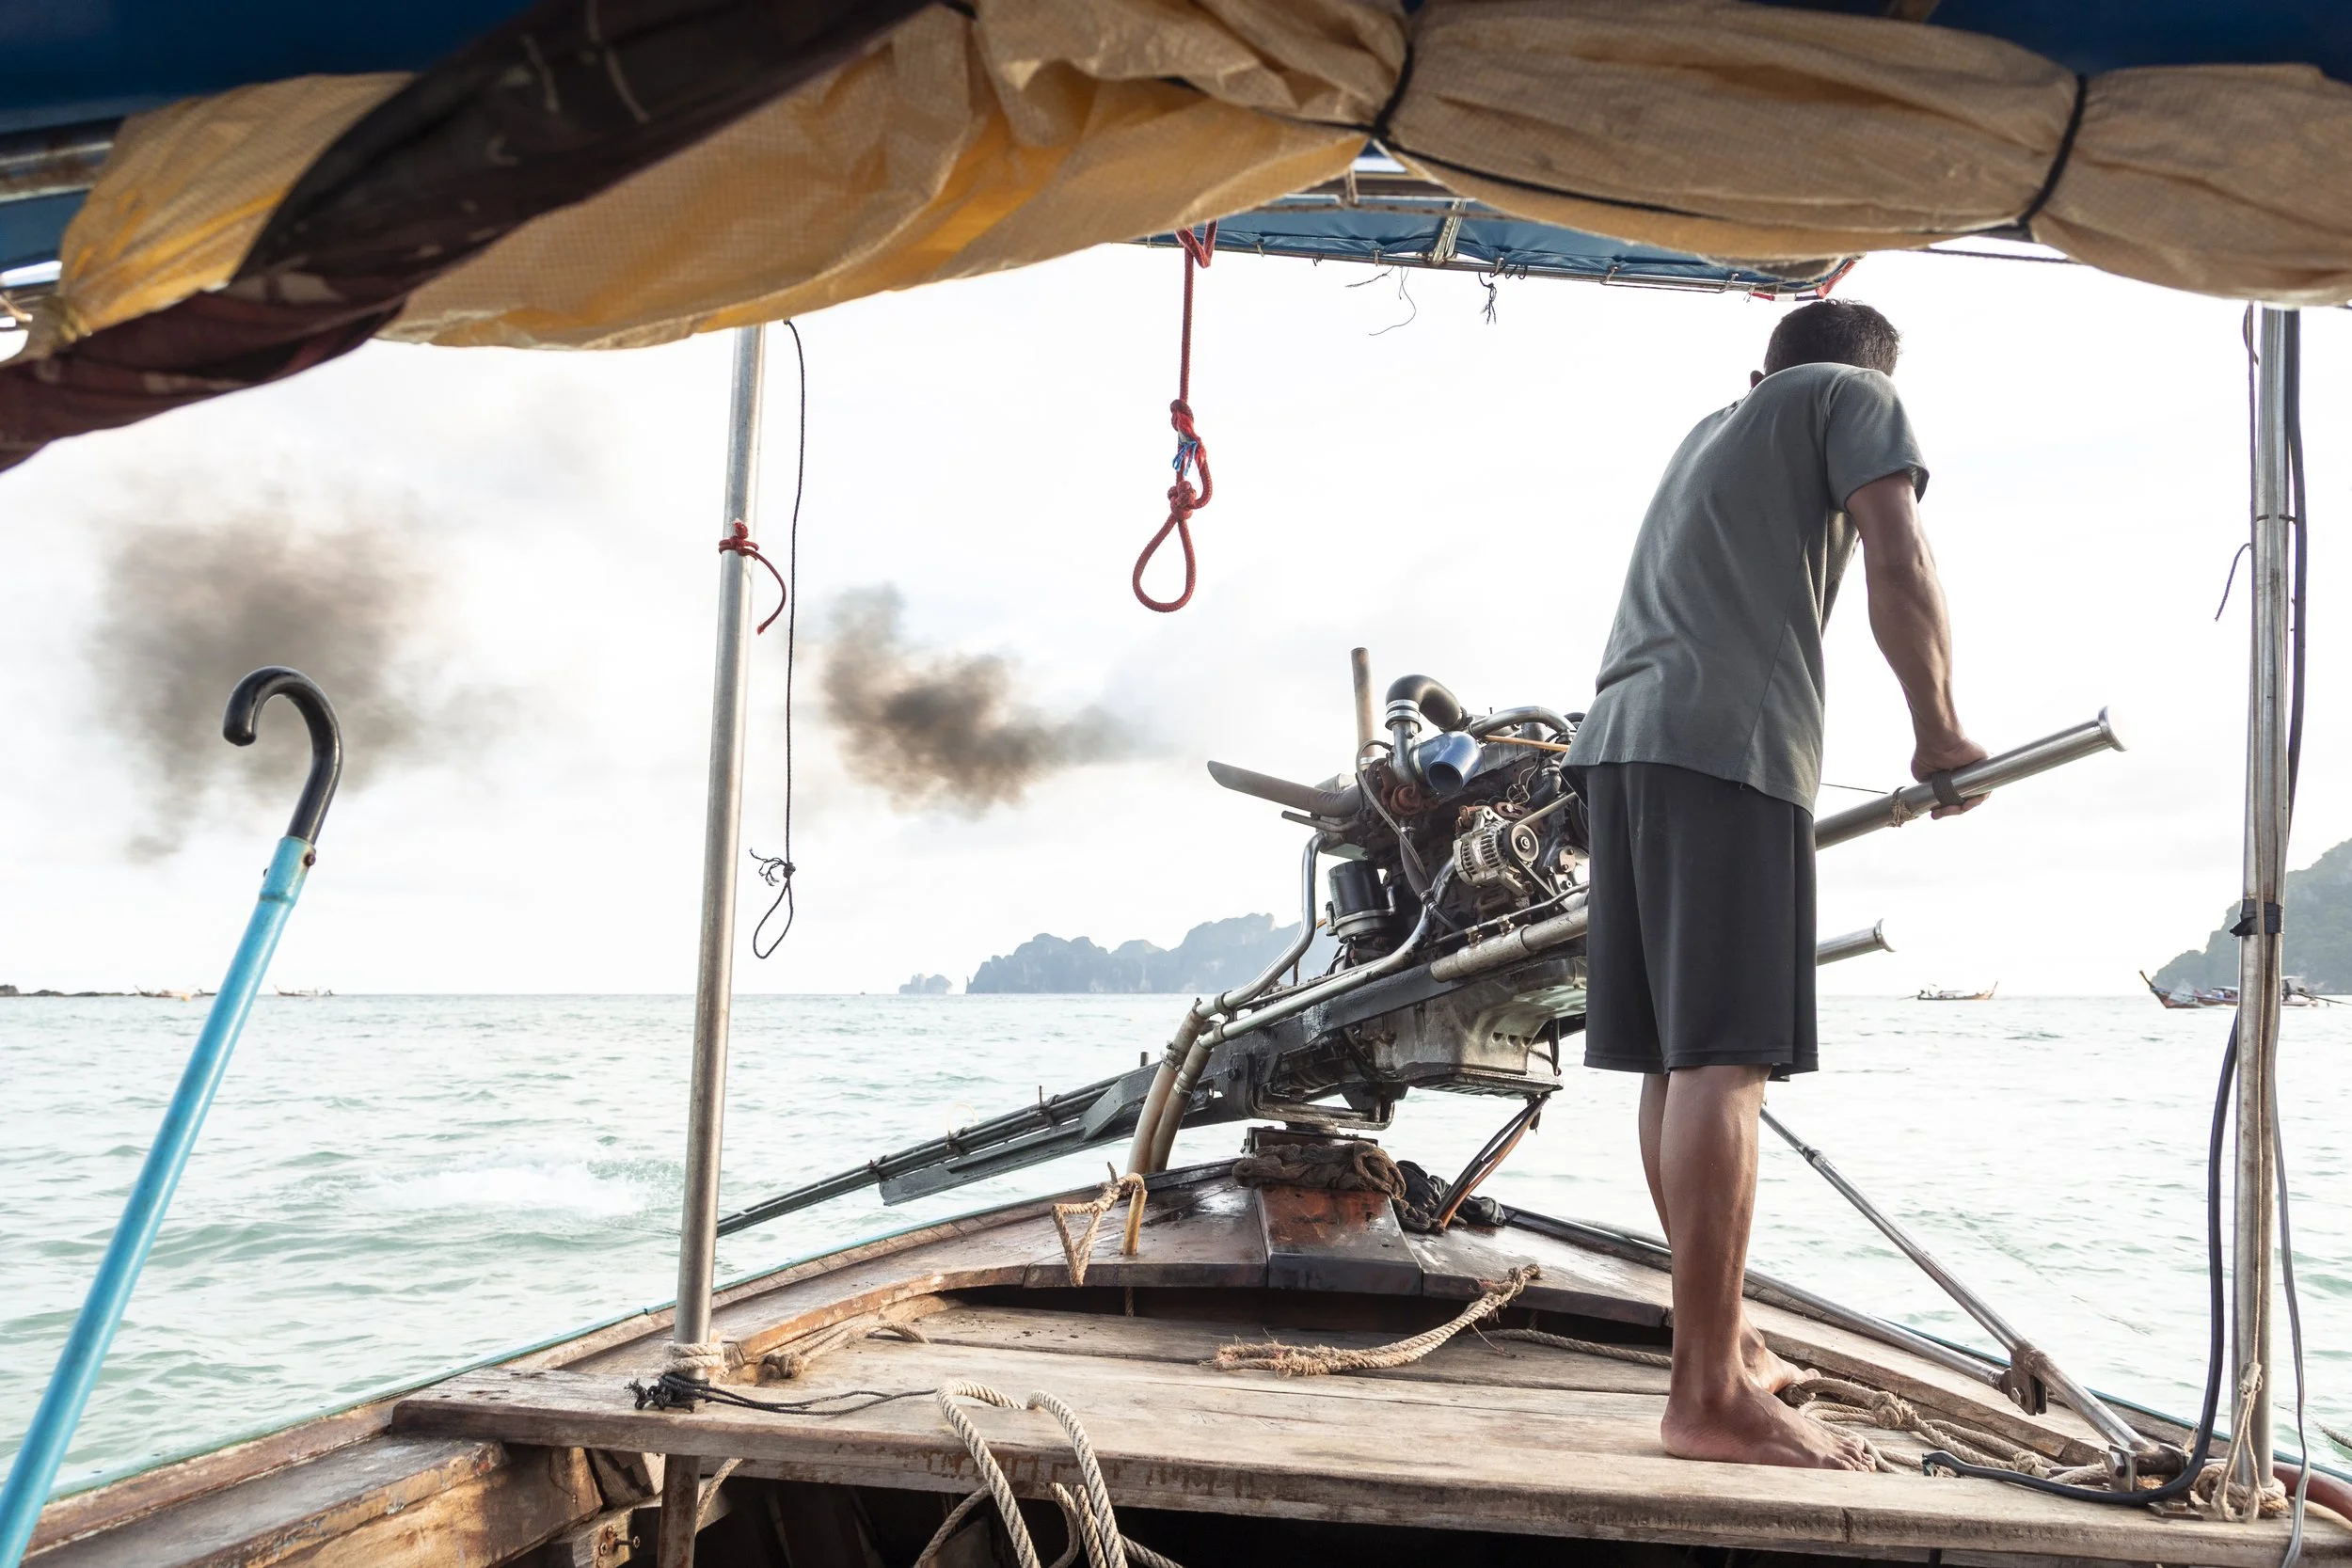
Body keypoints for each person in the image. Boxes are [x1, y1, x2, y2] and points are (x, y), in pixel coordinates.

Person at [1564, 299, 1985, 1470]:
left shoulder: (1715, 425)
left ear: (1763, 367)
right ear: (1867, 378)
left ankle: (1728, 1343)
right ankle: (1705, 1393)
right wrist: (1940, 731)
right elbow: (1899, 556)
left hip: (1619, 745)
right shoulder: (1856, 398)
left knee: (1676, 1055)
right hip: (1726, 744)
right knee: (1726, 1058)